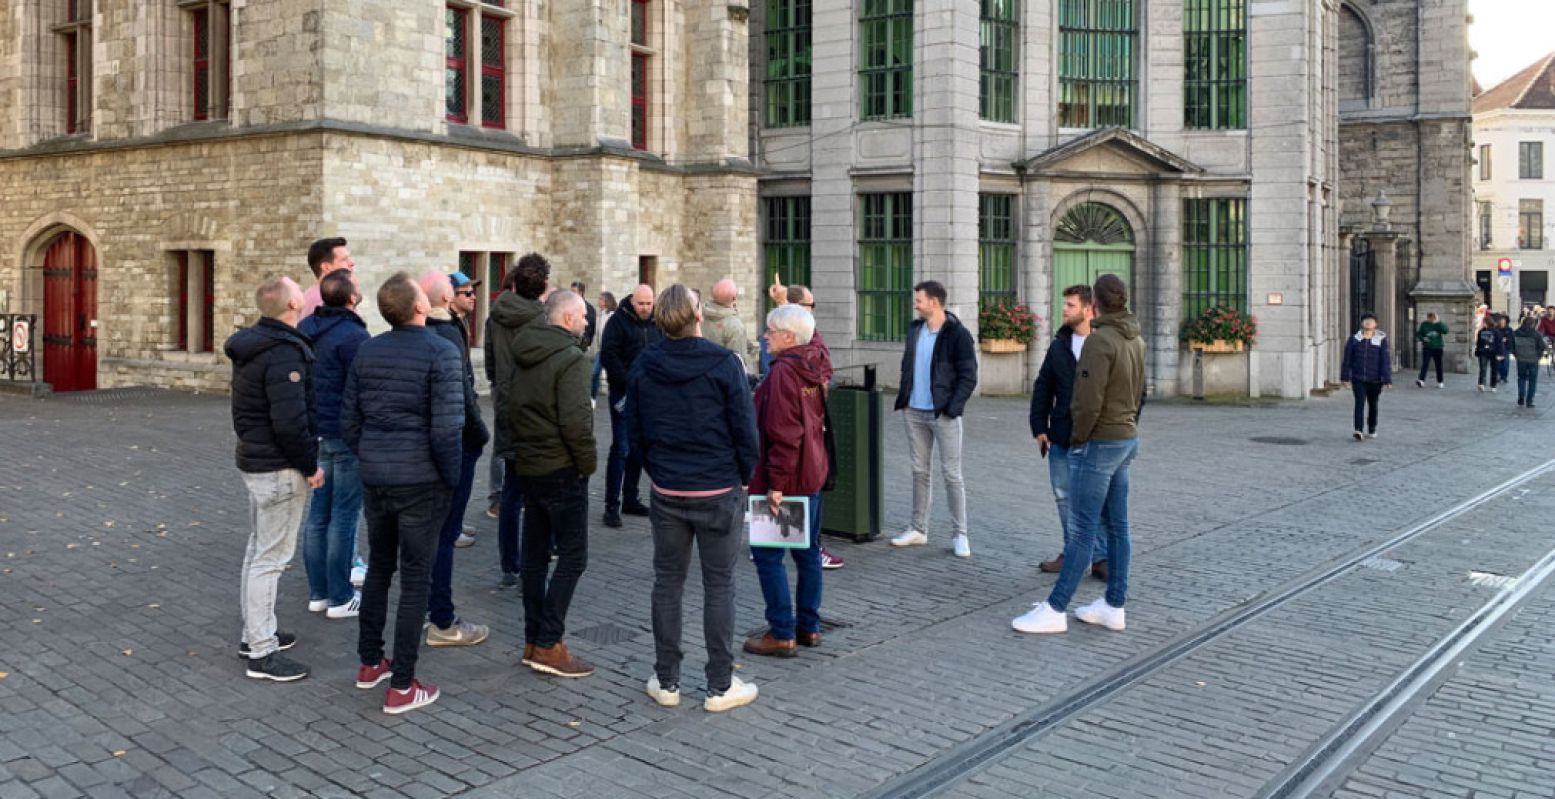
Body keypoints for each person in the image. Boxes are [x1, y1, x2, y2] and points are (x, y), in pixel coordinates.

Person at [627, 284, 760, 712]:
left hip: (670, 490)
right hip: (716, 488)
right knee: (718, 584)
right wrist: (743, 476)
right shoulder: (724, 364)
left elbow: (635, 432)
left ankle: (668, 680)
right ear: (697, 315)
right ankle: (720, 684)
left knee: (668, 583)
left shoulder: (647, 364)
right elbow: (745, 429)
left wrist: (658, 472)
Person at [342, 272, 465, 715]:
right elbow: (448, 430)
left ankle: (370, 661)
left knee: (380, 569)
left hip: (379, 476)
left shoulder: (368, 351)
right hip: (420, 481)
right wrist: (449, 478)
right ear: (418, 307)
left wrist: (372, 455)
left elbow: (350, 420)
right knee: (415, 578)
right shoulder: (441, 352)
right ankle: (403, 683)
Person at [1012, 274, 1144, 635]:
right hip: (1125, 439)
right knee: (1118, 526)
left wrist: (1080, 439)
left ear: (1095, 305)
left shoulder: (1099, 342)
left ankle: (1055, 609)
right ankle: (1114, 603)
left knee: (1082, 528)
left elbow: (1087, 402)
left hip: (1098, 443)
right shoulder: (1135, 338)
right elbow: (1138, 393)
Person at [226, 275, 324, 681]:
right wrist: (310, 466)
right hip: (278, 468)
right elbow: (290, 421)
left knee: (258, 550)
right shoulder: (282, 353)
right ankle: (262, 653)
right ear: (292, 304)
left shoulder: (256, 345)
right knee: (271, 559)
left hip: (258, 462)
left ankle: (257, 633)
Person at [508, 290, 598, 677]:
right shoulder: (571, 359)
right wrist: (587, 463)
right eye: (581, 316)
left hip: (529, 464)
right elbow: (576, 422)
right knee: (573, 557)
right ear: (565, 319)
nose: (586, 323)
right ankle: (548, 641)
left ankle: (535, 637)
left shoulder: (525, 351)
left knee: (535, 555)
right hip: (560, 467)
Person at [743, 304, 832, 658]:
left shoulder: (783, 373)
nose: (765, 337)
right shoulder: (815, 362)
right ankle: (809, 625)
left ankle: (782, 631)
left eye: (771, 330)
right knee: (808, 553)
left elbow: (783, 434)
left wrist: (775, 486)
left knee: (767, 556)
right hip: (811, 472)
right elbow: (818, 341)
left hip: (787, 478)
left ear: (789, 337)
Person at [420, 271, 493, 647]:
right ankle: (442, 621)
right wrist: (479, 433)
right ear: (447, 300)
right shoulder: (446, 335)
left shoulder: (417, 335)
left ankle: (428, 609)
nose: (470, 298)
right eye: (463, 293)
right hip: (454, 444)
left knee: (430, 534)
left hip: (424, 449)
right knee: (445, 534)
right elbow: (462, 392)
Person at [298, 270, 370, 620]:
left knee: (319, 513)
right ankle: (340, 597)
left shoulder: (306, 330)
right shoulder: (354, 336)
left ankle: (319, 593)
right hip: (343, 434)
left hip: (316, 433)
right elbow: (363, 389)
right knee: (343, 515)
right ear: (351, 298)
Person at [890, 280, 979, 558]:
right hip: (913, 411)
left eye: (919, 300)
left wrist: (952, 408)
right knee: (919, 471)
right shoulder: (914, 330)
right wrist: (905, 401)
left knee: (952, 474)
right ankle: (918, 529)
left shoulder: (958, 334)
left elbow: (969, 375)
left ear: (934, 302)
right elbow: (908, 366)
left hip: (943, 414)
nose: (915, 304)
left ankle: (960, 534)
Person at [1029, 284, 1106, 581]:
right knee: (1064, 497)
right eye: (1065, 305)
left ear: (1088, 310)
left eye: (1071, 305)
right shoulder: (1059, 345)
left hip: (1098, 438)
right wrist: (1039, 427)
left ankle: (1100, 557)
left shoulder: (1105, 344)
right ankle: (1073, 552)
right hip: (1061, 435)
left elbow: (1131, 390)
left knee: (1095, 500)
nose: (1064, 310)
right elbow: (1043, 387)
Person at [486, 255, 550, 586]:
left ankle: (509, 562)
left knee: (511, 491)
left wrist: (501, 392)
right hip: (535, 411)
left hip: (506, 405)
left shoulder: (496, 315)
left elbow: (492, 363)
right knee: (538, 491)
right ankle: (534, 558)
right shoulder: (541, 318)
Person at [599, 284, 663, 527]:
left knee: (639, 448)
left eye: (649, 303)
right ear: (632, 301)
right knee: (622, 448)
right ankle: (611, 505)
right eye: (641, 304)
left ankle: (631, 498)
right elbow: (609, 354)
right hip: (624, 394)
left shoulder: (659, 322)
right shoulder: (618, 322)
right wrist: (627, 381)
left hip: (649, 396)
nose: (646, 308)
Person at [448, 272, 485, 547]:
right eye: (466, 293)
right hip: (459, 415)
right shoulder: (449, 328)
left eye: (473, 292)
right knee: (459, 474)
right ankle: (451, 528)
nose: (473, 297)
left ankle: (456, 522)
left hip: (466, 409)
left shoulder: (459, 324)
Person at [1340, 313, 1392, 440]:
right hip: (1358, 378)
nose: (1368, 323)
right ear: (1362, 323)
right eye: (1366, 321)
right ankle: (1358, 429)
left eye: (1371, 321)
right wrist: (1345, 377)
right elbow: (1347, 359)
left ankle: (1372, 427)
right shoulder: (1354, 339)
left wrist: (1387, 379)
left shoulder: (1381, 340)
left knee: (1373, 404)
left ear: (1376, 324)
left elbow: (1385, 360)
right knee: (1359, 403)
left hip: (1375, 379)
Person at [702, 278, 751, 372]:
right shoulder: (735, 326)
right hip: (723, 379)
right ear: (734, 298)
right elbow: (738, 362)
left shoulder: (698, 315)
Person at [300, 237, 353, 318]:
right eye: (344, 259)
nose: (352, 263)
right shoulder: (322, 301)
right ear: (326, 267)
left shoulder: (312, 297)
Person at [1512, 315, 1548, 408]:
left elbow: (1511, 346)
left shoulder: (1516, 333)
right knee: (1532, 381)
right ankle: (1529, 401)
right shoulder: (1536, 334)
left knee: (1521, 378)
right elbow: (1542, 346)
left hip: (1521, 359)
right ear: (1533, 324)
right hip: (1533, 360)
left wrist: (1516, 355)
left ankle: (1521, 397)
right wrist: (1538, 356)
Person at [1414, 312, 1447, 389]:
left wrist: (1439, 322)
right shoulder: (1424, 324)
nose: (1431, 320)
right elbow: (1419, 334)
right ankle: (1421, 380)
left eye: (1433, 318)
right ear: (1428, 318)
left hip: (1438, 347)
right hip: (1427, 347)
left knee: (1438, 365)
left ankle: (1440, 381)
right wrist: (1423, 339)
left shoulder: (1439, 324)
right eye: (1430, 318)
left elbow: (1445, 331)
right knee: (1425, 364)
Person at [1475, 316, 1504, 392]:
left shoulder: (1496, 332)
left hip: (1494, 352)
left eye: (1483, 322)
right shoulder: (1481, 331)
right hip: (1483, 351)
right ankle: (1481, 384)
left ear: (1487, 322)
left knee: (1494, 369)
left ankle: (1493, 385)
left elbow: (1499, 343)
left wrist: (1500, 354)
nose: (1482, 323)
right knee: (1482, 368)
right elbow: (1478, 343)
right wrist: (1477, 351)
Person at [571, 280, 598, 352]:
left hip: (580, 345)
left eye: (574, 291)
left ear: (580, 293)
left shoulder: (589, 308)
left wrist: (585, 343)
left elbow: (590, 328)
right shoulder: (569, 306)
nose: (571, 294)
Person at [1495, 314, 1515, 388]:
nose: (1502, 323)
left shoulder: (1509, 329)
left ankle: (1504, 377)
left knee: (1506, 364)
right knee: (1498, 364)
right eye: (1501, 321)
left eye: (1503, 321)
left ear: (1506, 322)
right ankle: (1500, 376)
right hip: (1498, 349)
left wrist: (1507, 340)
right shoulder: (1496, 329)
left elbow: (1512, 339)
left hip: (1506, 348)